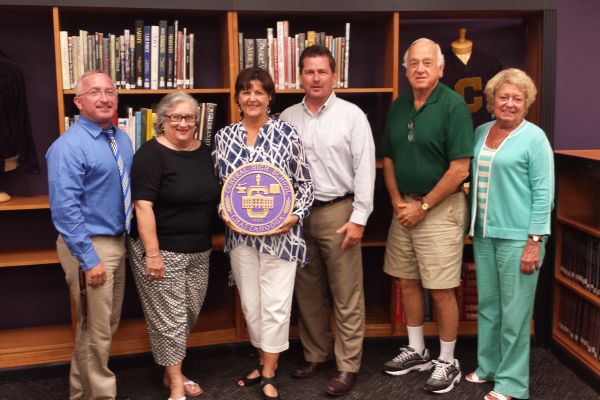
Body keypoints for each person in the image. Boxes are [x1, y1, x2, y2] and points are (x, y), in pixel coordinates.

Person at [280, 45, 376, 396]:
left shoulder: (352, 115)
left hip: (340, 212)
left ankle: (348, 365)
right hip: (299, 214)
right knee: (307, 292)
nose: (315, 78)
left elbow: (365, 168)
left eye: (322, 71)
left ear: (334, 76)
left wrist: (359, 218)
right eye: (309, 71)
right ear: (300, 76)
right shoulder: (288, 117)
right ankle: (315, 354)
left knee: (346, 294)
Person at [212, 67, 313, 400]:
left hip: (281, 237)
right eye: (245, 91)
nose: (252, 97)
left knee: (276, 305)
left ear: (270, 97)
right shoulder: (224, 137)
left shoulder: (287, 133)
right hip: (240, 237)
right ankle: (262, 358)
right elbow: (220, 188)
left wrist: (296, 214)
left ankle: (269, 371)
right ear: (238, 97)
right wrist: (223, 212)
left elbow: (305, 184)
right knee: (252, 306)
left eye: (259, 91)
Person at [380, 38, 473, 394]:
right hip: (404, 207)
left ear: (440, 67)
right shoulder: (399, 106)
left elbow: (459, 168)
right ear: (405, 69)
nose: (419, 69)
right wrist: (397, 201)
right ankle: (417, 350)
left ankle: (447, 360)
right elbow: (388, 157)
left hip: (439, 209)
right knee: (407, 281)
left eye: (426, 63)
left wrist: (424, 207)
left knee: (441, 288)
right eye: (413, 63)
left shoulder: (452, 106)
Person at [465, 68, 554, 400]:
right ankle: (488, 367)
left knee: (516, 313)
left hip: (520, 239)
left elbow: (544, 194)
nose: (510, 104)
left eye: (518, 98)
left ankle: (513, 383)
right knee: (489, 305)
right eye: (503, 97)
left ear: (527, 102)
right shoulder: (480, 132)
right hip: (485, 234)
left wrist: (534, 241)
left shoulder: (535, 138)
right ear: (491, 100)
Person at [46, 70, 133, 400]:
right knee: (97, 332)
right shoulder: (68, 147)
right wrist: (88, 259)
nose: (104, 98)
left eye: (109, 91)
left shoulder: (120, 139)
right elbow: (65, 210)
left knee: (101, 327)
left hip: (117, 242)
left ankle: (81, 394)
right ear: (78, 102)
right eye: (94, 92)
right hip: (89, 246)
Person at [127, 92, 220, 400]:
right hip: (161, 250)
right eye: (176, 117)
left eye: (189, 117)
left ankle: (171, 373)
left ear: (197, 121)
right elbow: (142, 206)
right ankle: (176, 384)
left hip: (199, 249)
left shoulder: (206, 153)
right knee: (170, 319)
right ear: (163, 121)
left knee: (188, 314)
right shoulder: (150, 154)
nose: (183, 123)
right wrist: (152, 254)